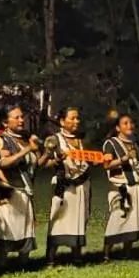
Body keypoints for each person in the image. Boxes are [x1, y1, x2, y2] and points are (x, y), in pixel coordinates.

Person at [0, 102, 45, 267]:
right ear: (5, 122)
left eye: (22, 117)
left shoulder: (26, 138)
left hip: (25, 190)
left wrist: (47, 153)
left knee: (25, 227)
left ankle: (24, 266)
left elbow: (37, 164)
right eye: (17, 117)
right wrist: (27, 150)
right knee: (7, 228)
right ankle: (2, 267)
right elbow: (2, 163)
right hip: (8, 190)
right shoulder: (0, 140)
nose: (21, 120)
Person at [46, 106, 91, 265]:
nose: (76, 121)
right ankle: (50, 258)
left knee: (79, 217)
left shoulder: (80, 140)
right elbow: (44, 163)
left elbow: (86, 160)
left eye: (77, 118)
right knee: (58, 219)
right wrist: (57, 160)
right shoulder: (55, 139)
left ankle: (77, 256)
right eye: (72, 118)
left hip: (82, 184)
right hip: (64, 184)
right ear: (62, 121)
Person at [102, 112, 139, 260]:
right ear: (117, 128)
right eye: (125, 123)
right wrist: (125, 158)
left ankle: (127, 253)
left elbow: (138, 166)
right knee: (117, 218)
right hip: (120, 187)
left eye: (131, 123)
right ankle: (106, 254)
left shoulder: (134, 144)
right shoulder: (111, 143)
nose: (130, 126)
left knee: (133, 220)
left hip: (134, 186)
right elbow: (107, 164)